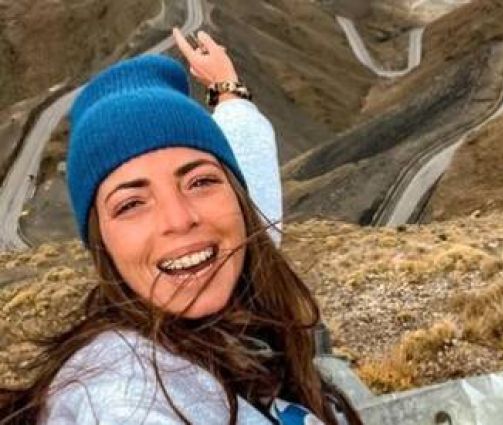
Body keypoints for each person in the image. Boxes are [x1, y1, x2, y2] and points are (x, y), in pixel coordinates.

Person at [0, 29, 363, 425]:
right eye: (131, 204)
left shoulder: (238, 273)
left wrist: (228, 90)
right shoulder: (121, 397)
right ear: (101, 242)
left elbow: (251, 180)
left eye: (200, 182)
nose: (180, 220)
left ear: (238, 200)